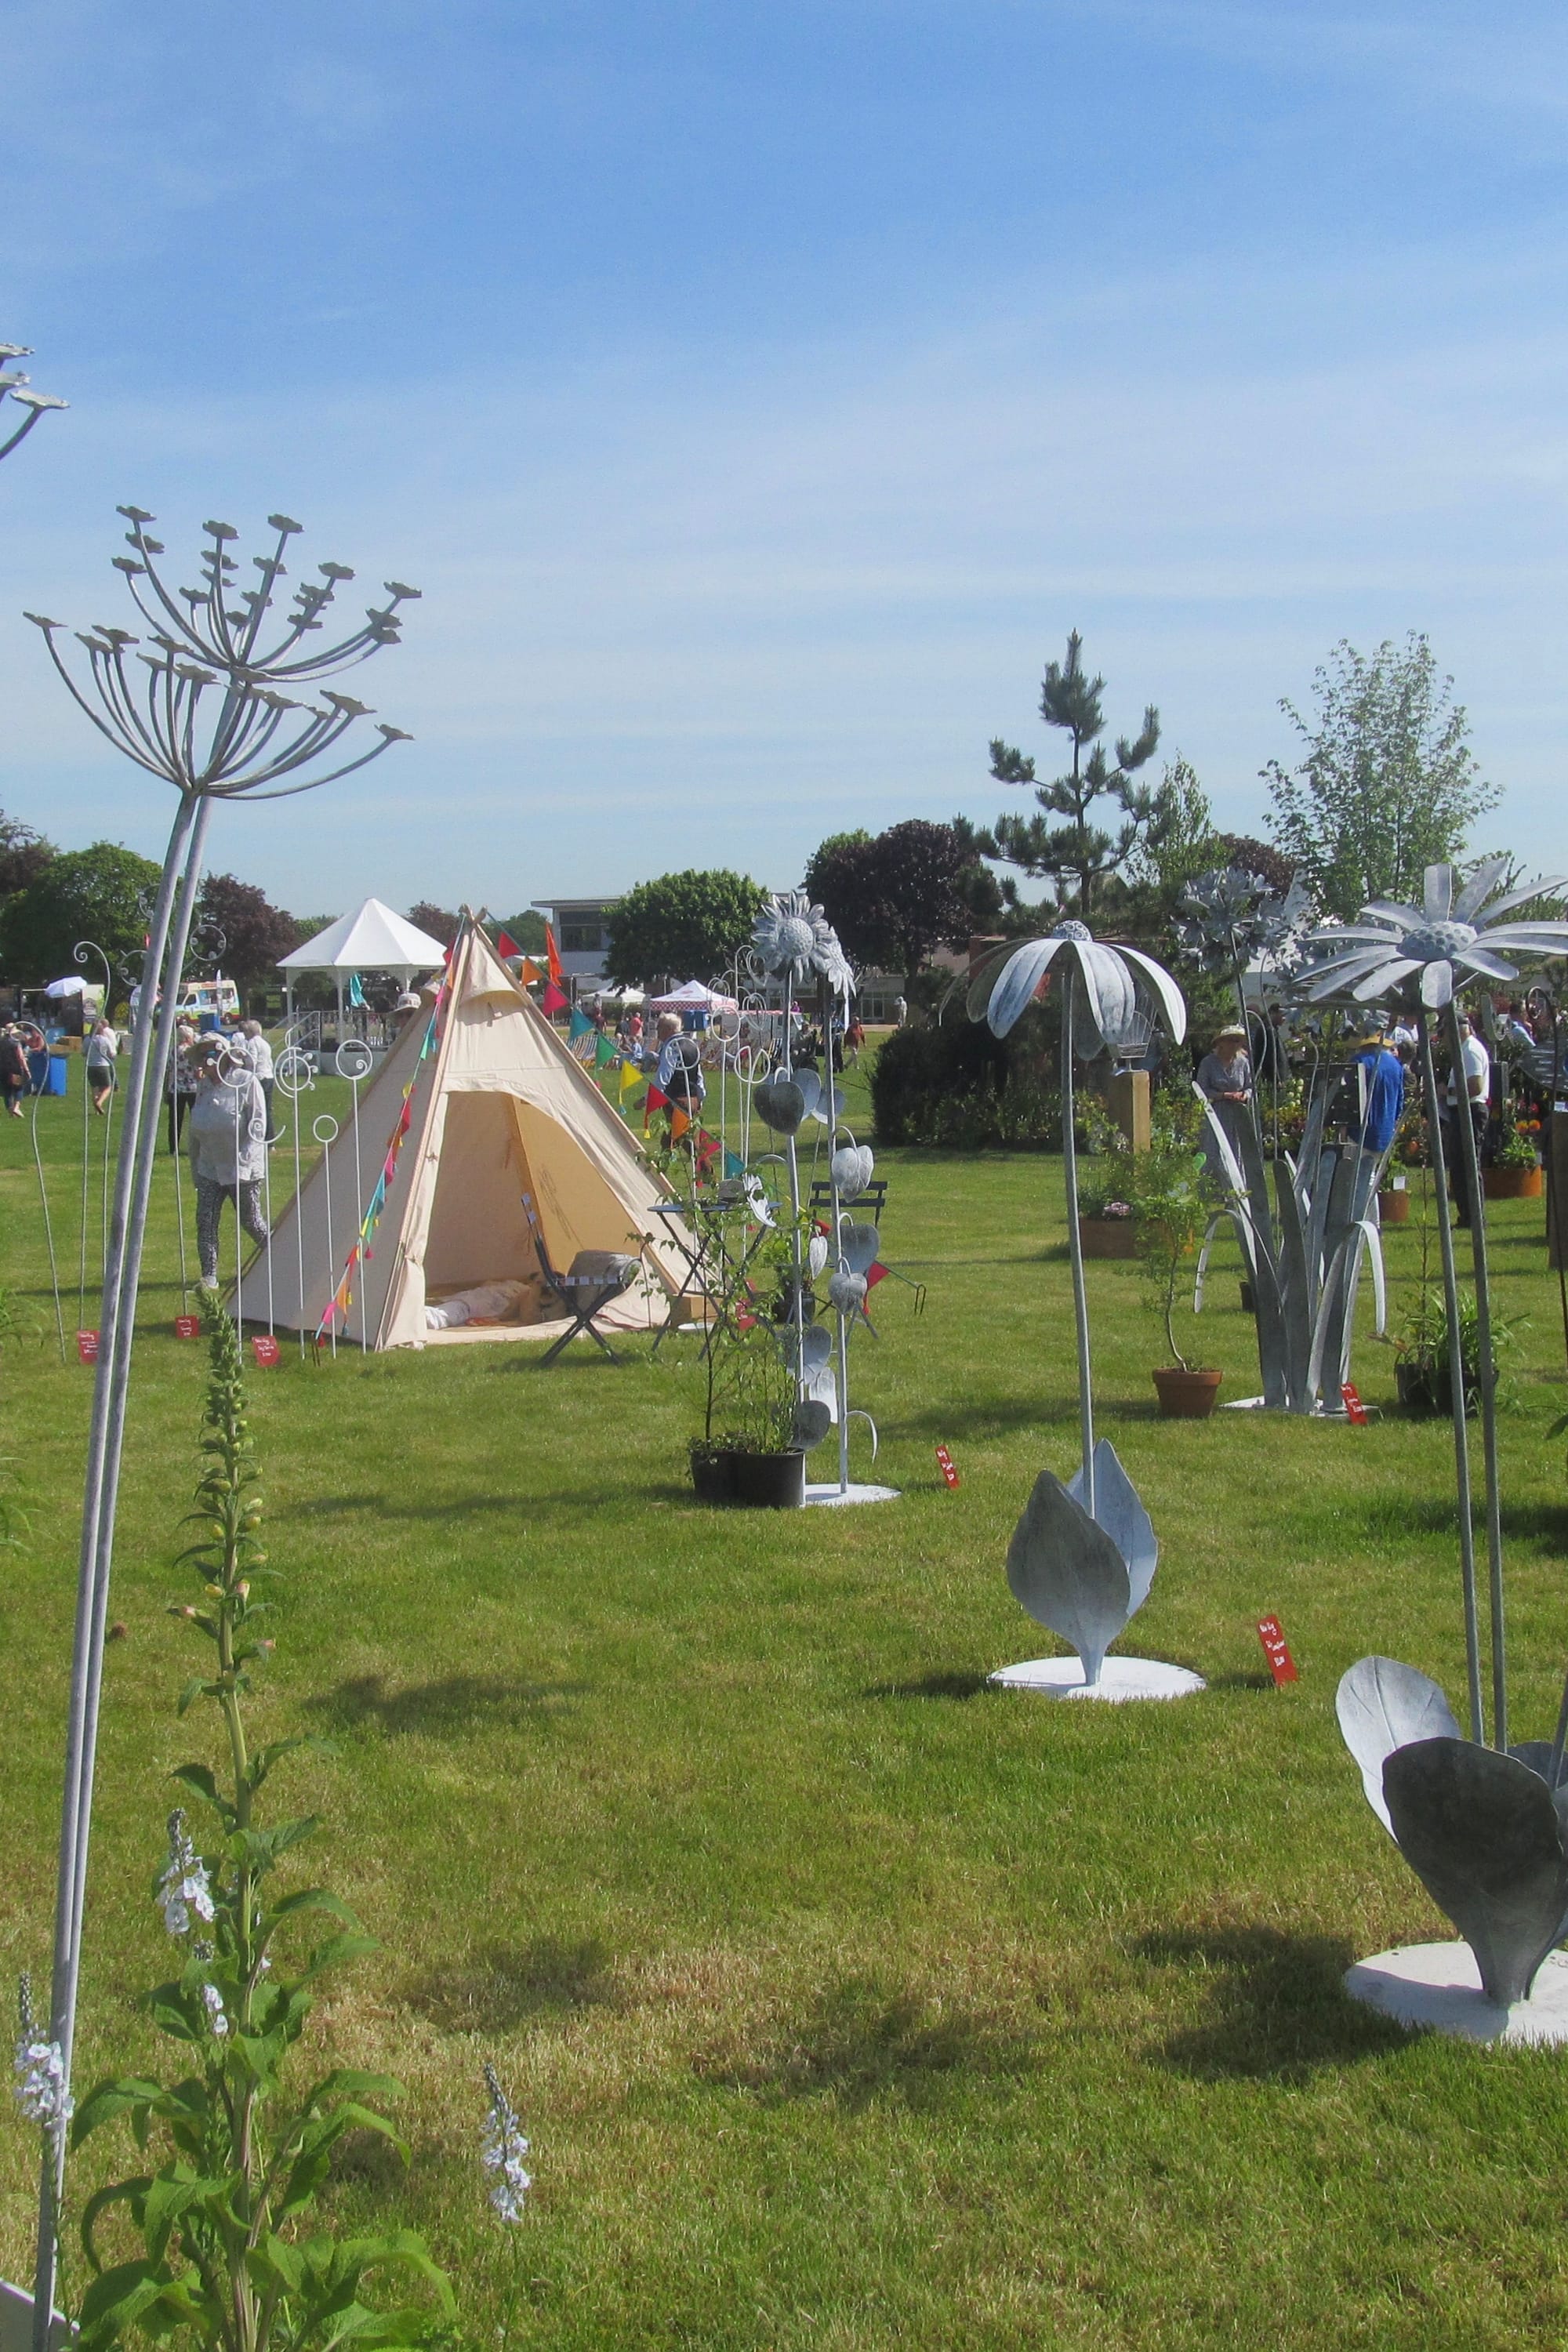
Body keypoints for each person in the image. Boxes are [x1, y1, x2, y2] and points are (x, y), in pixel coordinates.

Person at [187, 1040, 270, 1291]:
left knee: (250, 1220)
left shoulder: (246, 1082)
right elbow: (196, 1127)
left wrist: (243, 1164)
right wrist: (196, 1166)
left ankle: (279, 1258)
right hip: (210, 1166)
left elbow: (258, 1126)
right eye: (202, 1056)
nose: (204, 1060)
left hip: (243, 1167)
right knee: (206, 1219)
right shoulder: (203, 1087)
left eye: (210, 1054)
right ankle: (209, 1276)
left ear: (224, 1057)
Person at [1442, 1012, 1490, 1229]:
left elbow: (1475, 1087)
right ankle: (1468, 1216)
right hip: (1462, 1111)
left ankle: (1475, 1216)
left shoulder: (1470, 1051)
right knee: (1461, 1166)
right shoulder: (1464, 1050)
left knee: (1469, 1164)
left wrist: (1447, 1091)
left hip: (1470, 1110)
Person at [1351, 1030, 1405, 1154]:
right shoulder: (1395, 1064)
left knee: (1355, 1170)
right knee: (1375, 1170)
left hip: (1360, 1132)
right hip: (1386, 1129)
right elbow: (1400, 1099)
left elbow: (1349, 1097)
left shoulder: (1358, 1061)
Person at [654, 1011, 705, 1124]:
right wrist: (700, 1097)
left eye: (659, 1027)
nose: (657, 1031)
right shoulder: (692, 1044)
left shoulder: (671, 1047)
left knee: (675, 1138)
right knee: (690, 1137)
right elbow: (698, 1075)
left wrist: (651, 1099)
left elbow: (663, 1077)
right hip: (693, 1099)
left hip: (676, 1100)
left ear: (668, 1029)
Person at [241, 1018, 278, 1141]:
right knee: (267, 1109)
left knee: (257, 1108)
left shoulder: (252, 1043)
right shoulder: (265, 1043)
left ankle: (258, 1135)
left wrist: (243, 1060)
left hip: (259, 1077)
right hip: (268, 1076)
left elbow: (252, 1061)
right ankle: (269, 1138)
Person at [167, 1021, 199, 1152]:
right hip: (192, 1087)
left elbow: (169, 1067)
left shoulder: (173, 1051)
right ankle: (196, 1145)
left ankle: (173, 1147)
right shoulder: (192, 1052)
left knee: (175, 1120)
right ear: (188, 1038)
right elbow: (197, 1068)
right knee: (196, 1118)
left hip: (176, 1088)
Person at [85, 1017, 119, 1115]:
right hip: (103, 1065)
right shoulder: (105, 1040)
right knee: (108, 1087)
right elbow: (111, 1053)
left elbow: (83, 1053)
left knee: (94, 1088)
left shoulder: (87, 1040)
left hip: (90, 1066)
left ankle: (96, 1111)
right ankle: (100, 1102)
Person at [0, 1024, 27, 1118]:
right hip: (15, 1068)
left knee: (7, 1091)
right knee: (19, 1088)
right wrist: (26, 1069)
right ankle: (16, 1107)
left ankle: (10, 1111)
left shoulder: (1, 1042)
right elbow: (20, 1057)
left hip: (3, 1069)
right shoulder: (16, 1043)